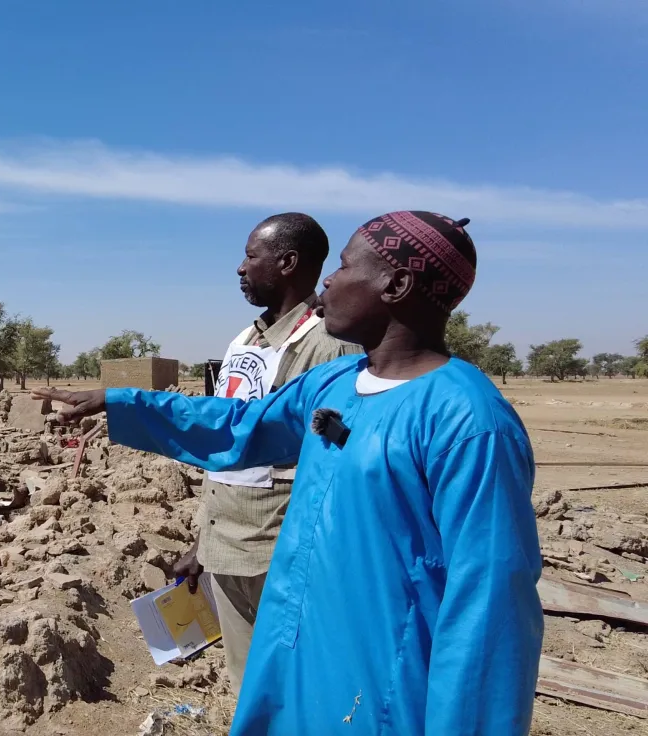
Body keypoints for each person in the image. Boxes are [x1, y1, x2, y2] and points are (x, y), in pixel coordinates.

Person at [35, 211, 542, 735]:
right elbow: (239, 425)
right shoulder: (337, 382)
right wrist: (120, 403)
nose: (329, 279)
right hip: (299, 637)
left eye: (344, 267)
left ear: (396, 284)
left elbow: (489, 609)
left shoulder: (468, 422)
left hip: (384, 672)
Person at [184, 212, 359, 696]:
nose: (240, 269)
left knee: (303, 690)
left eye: (249, 256)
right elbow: (227, 446)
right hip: (227, 548)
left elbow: (343, 465)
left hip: (284, 556)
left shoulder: (330, 348)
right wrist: (203, 540)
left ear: (286, 262)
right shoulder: (244, 341)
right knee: (249, 688)